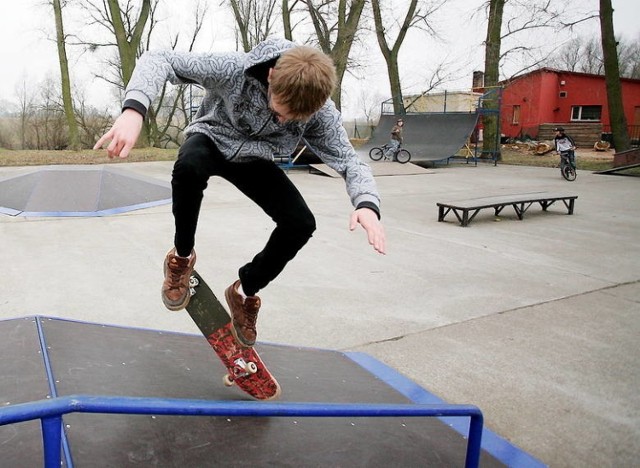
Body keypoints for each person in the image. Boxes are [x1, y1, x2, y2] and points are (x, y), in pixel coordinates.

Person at [94, 38, 386, 348]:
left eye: (292, 120)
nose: (283, 121)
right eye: (280, 111)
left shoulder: (321, 113)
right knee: (188, 166)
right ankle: (181, 257)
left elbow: (349, 161)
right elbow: (159, 56)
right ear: (271, 76)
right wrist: (134, 110)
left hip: (255, 160)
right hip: (212, 138)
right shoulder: (233, 69)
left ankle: (245, 291)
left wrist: (367, 203)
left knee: (300, 223)